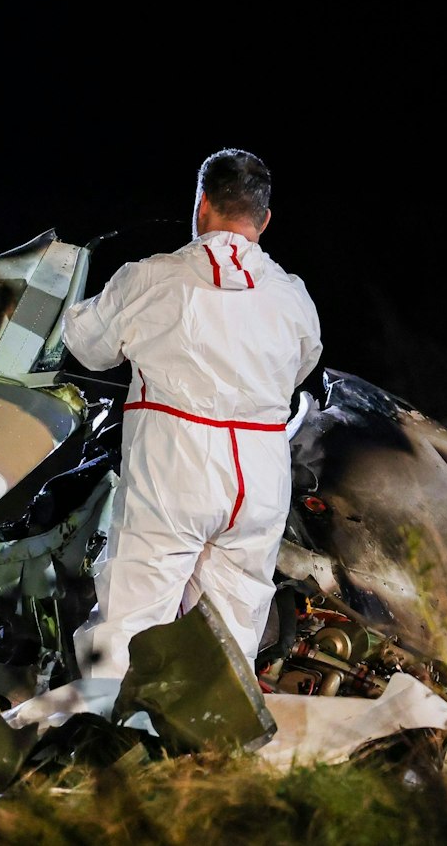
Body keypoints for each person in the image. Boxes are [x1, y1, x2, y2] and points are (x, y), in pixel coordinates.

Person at [63, 148, 321, 682]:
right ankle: (217, 729)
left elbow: (88, 346)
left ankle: (107, 727)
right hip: (260, 477)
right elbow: (303, 365)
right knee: (230, 638)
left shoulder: (152, 278)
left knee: (129, 626)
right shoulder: (293, 296)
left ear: (202, 205)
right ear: (264, 220)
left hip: (175, 465)